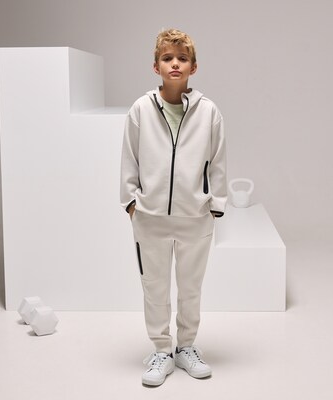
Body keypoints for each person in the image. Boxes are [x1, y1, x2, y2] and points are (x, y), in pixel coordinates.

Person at [120, 28, 227, 386]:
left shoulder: (209, 111)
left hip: (195, 218)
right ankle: (162, 350)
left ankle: (187, 347)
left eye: (182, 58)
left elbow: (218, 160)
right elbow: (129, 158)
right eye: (167, 58)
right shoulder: (141, 109)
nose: (175, 64)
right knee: (154, 288)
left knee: (190, 288)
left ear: (193, 67)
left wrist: (215, 205)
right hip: (149, 218)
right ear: (156, 66)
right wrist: (131, 202)